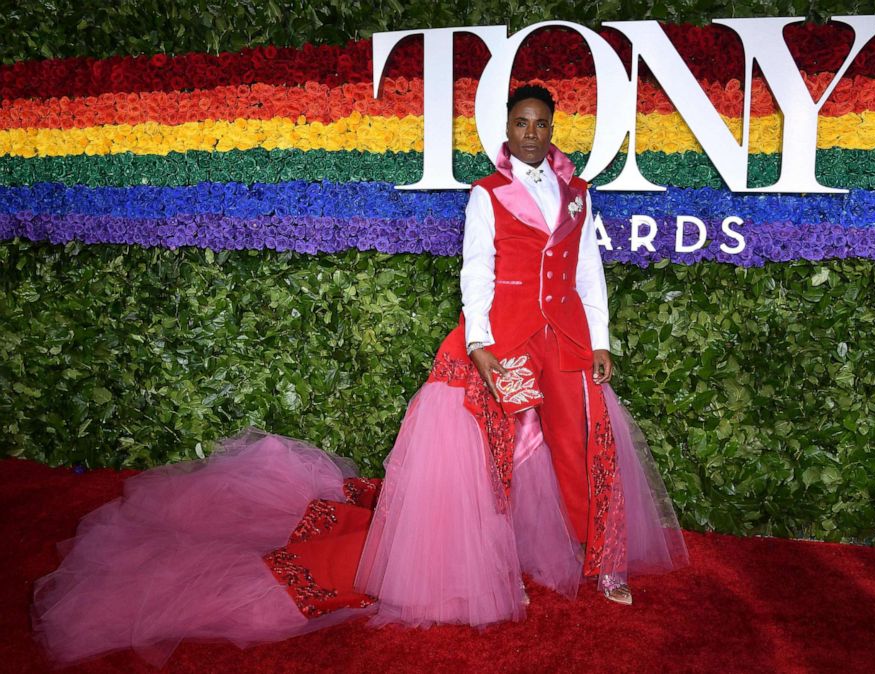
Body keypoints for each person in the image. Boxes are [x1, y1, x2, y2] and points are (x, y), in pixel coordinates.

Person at [31, 85, 689, 667]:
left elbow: (587, 272)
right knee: (499, 458)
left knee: (587, 450)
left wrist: (600, 339)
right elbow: (475, 271)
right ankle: (497, 567)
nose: (533, 133)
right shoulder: (486, 195)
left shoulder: (580, 195)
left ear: (553, 129)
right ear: (507, 130)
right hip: (508, 338)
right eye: (522, 123)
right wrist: (482, 344)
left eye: (542, 123)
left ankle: (603, 566)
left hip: (568, 336)